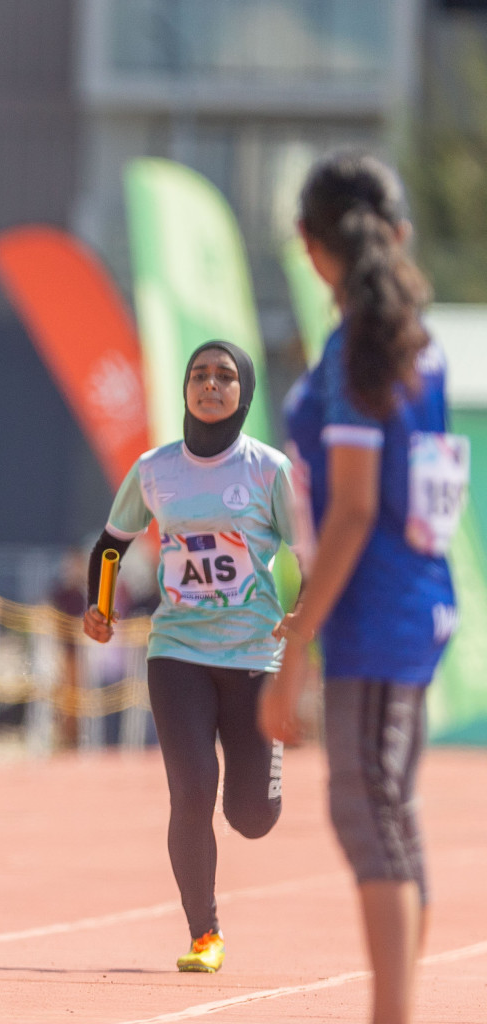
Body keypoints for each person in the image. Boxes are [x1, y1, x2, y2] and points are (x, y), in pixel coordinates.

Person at [262, 151, 461, 1024]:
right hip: (413, 603)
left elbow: (348, 514)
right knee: (389, 813)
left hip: (376, 612)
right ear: (400, 236)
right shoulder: (418, 344)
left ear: (311, 247)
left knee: (369, 812)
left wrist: (293, 648)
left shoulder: (357, 354)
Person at [83, 340, 300, 973]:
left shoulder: (268, 469)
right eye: (199, 375)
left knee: (251, 816)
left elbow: (309, 549)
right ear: (184, 389)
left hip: (256, 654)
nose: (210, 385)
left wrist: (304, 611)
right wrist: (100, 607)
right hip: (177, 649)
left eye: (225, 377)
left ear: (244, 393)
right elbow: (109, 545)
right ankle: (204, 932)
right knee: (192, 791)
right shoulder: (155, 470)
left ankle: (265, 777)